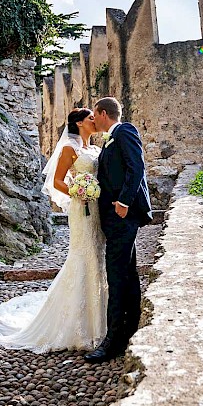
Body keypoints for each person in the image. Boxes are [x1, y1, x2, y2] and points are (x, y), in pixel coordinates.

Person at [0, 108, 108, 353]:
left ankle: (99, 317)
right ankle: (79, 324)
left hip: (98, 209)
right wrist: (78, 193)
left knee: (98, 255)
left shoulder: (95, 149)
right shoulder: (70, 147)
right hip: (83, 209)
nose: (95, 121)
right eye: (91, 118)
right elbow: (58, 180)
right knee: (83, 255)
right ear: (79, 123)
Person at [84, 97, 152, 363]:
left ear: (103, 113)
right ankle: (131, 329)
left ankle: (111, 342)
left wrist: (124, 202)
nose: (93, 120)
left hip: (122, 216)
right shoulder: (111, 139)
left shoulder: (125, 131)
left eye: (94, 115)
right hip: (116, 218)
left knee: (116, 274)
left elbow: (137, 168)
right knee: (127, 273)